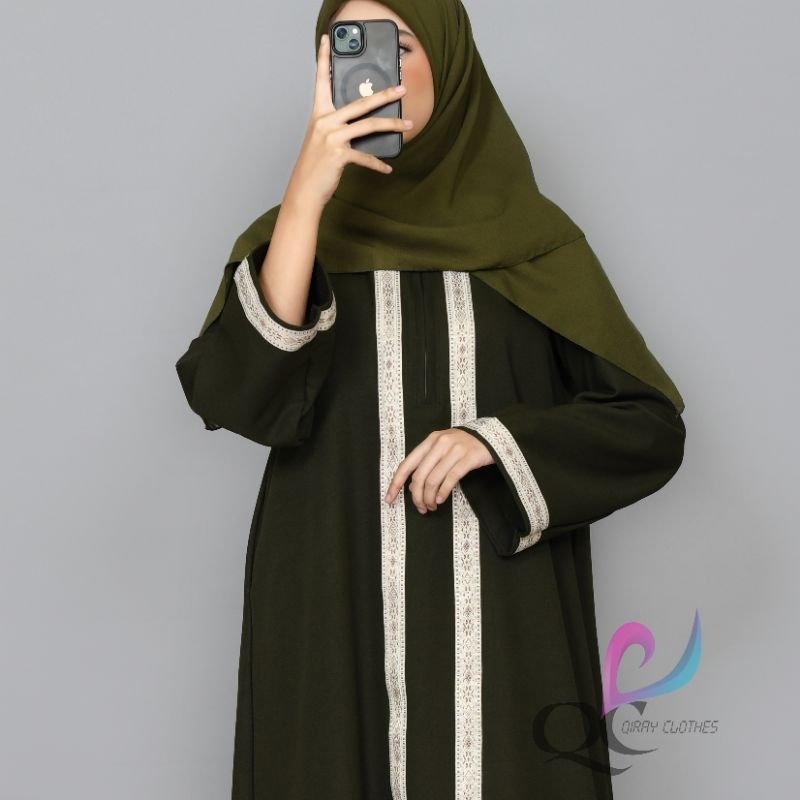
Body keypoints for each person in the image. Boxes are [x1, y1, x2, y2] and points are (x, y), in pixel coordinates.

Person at [175, 0, 686, 797]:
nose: (370, 74)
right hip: (327, 603)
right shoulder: (293, 241)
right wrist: (305, 199)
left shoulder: (534, 244)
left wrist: (496, 443)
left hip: (504, 624)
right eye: (343, 49)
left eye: (398, 45)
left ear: (450, 66)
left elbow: (647, 427)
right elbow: (233, 397)